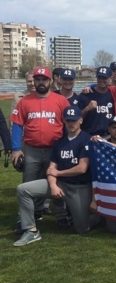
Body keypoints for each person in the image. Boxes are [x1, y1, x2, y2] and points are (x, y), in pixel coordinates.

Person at [13, 106, 92, 246]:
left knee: (82, 229)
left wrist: (59, 173)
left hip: (79, 186)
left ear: (81, 120)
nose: (71, 123)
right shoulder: (59, 142)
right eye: (68, 120)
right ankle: (30, 230)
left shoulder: (87, 139)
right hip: (60, 184)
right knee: (23, 189)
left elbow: (82, 168)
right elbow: (51, 168)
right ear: (64, 121)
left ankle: (96, 217)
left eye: (74, 120)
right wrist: (53, 185)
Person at [10, 66, 70, 222]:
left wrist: (68, 147)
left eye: (44, 79)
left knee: (56, 182)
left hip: (54, 150)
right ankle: (29, 215)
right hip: (32, 150)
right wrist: (16, 149)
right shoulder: (24, 101)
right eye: (38, 79)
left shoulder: (61, 101)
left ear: (50, 81)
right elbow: (17, 125)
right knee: (28, 184)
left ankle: (60, 215)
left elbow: (70, 123)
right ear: (34, 81)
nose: (41, 82)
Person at [77, 66, 114, 136]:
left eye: (104, 78)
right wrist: (87, 109)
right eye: (100, 77)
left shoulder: (113, 95)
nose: (101, 80)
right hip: (88, 135)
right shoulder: (86, 94)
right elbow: (76, 118)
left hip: (107, 137)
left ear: (110, 79)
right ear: (96, 77)